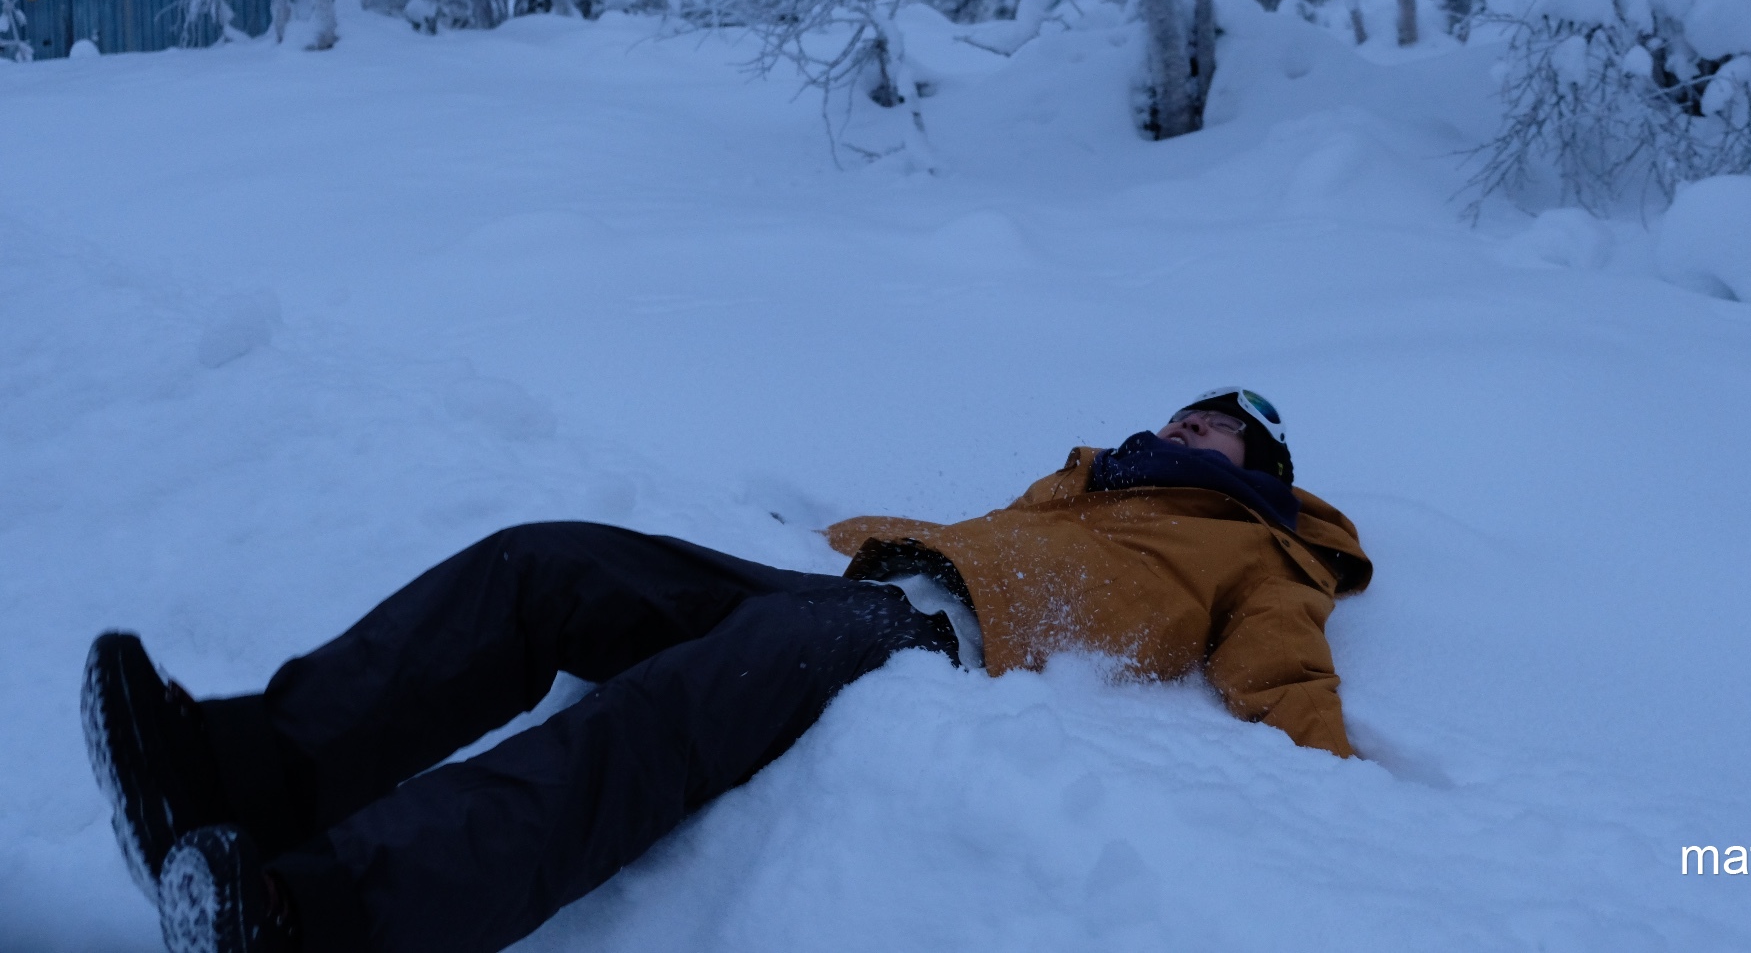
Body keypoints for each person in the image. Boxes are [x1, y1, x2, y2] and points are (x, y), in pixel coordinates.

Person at [82, 388, 1372, 953]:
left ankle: (330, 918)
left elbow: (1287, 681)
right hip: (847, 592)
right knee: (547, 565)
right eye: (1186, 410)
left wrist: (1339, 804)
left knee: (658, 720)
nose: (1183, 424)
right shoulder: (1088, 488)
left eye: (1217, 426)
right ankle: (247, 768)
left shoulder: (1263, 554)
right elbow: (952, 540)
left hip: (932, 651)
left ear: (1265, 472)